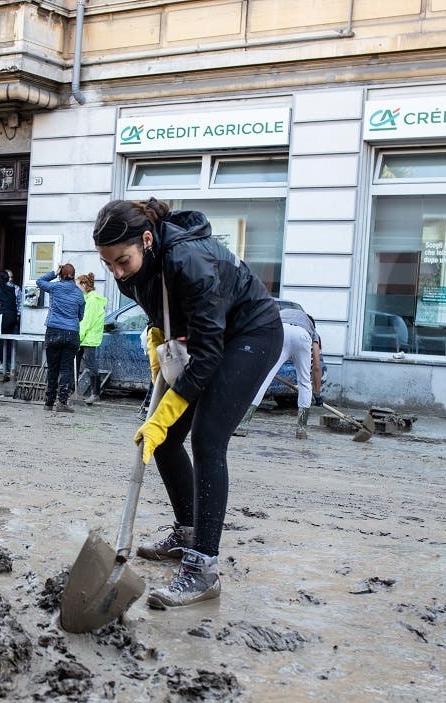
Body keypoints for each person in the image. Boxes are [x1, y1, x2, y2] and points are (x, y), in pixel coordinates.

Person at [93, 198, 282, 608]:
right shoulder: (132, 272)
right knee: (161, 440)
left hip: (251, 334)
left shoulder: (190, 259)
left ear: (147, 239)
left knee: (208, 438)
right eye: (109, 264)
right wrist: (159, 340)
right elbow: (169, 318)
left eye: (122, 261)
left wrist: (167, 410)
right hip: (204, 340)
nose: (117, 273)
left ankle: (203, 568)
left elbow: (210, 353)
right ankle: (187, 532)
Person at [233, 318, 314, 438]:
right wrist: (316, 393)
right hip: (302, 336)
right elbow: (316, 365)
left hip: (280, 331)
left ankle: (242, 425)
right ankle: (301, 430)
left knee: (265, 379)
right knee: (305, 381)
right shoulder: (311, 328)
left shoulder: (282, 314)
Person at [36, 263, 85, 412]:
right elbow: (80, 316)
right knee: (66, 369)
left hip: (53, 331)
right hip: (71, 333)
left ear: (61, 275)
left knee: (53, 368)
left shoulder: (55, 287)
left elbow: (39, 281)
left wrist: (54, 273)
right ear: (74, 275)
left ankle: (49, 402)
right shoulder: (79, 293)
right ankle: (62, 402)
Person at [77, 272, 107, 405]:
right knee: (76, 362)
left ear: (84, 285)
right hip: (85, 336)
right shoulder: (87, 298)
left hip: (89, 337)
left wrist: (78, 337)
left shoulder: (92, 300)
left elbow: (86, 322)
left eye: (78, 285)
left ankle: (95, 393)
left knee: (91, 364)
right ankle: (72, 390)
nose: (77, 288)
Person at [0, 268, 22, 381]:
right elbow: (17, 303)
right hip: (13, 316)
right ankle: (8, 364)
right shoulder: (14, 289)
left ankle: (3, 363)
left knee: (2, 340)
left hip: (3, 316)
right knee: (10, 340)